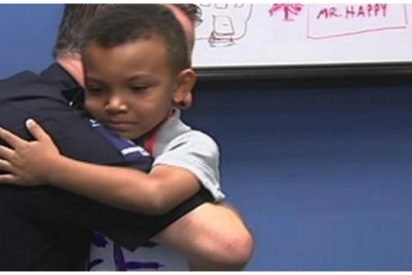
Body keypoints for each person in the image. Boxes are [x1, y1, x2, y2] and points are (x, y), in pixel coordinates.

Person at [0, 4, 253, 271]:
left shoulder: (189, 145)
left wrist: (52, 169)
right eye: (97, 89)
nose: (115, 104)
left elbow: (155, 194)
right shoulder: (77, 124)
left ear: (181, 86)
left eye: (138, 88)